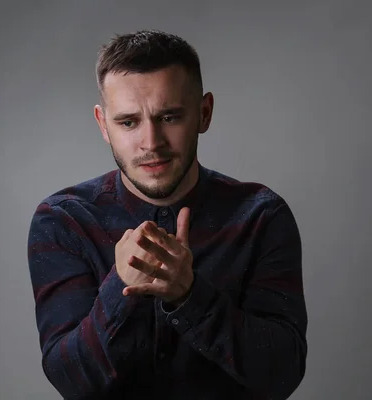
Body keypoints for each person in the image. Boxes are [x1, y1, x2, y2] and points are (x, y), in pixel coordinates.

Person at [27, 29, 308, 400]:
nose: (151, 142)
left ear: (204, 113)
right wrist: (120, 287)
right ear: (103, 125)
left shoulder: (261, 215)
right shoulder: (63, 221)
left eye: (170, 117)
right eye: (128, 122)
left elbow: (282, 374)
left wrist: (191, 296)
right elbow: (71, 381)